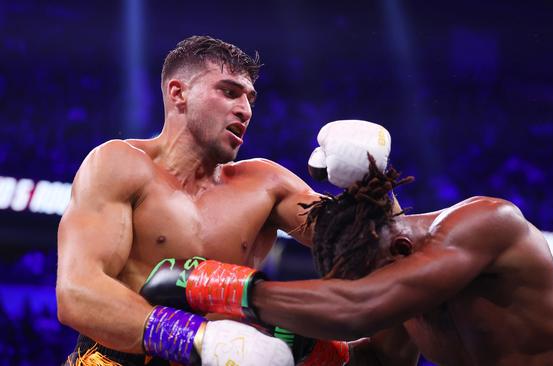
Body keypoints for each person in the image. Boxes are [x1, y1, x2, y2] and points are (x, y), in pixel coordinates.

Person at [56, 34, 391, 365]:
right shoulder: (120, 164)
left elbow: (379, 245)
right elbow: (77, 293)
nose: (244, 110)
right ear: (179, 93)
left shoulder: (265, 184)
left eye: (250, 99)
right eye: (229, 92)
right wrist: (196, 339)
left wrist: (375, 181)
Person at [159, 157, 553, 365]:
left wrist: (213, 283)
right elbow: (383, 361)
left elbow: (356, 306)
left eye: (363, 279)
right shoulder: (401, 288)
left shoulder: (488, 223)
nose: (361, 287)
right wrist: (304, 351)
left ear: (401, 252)